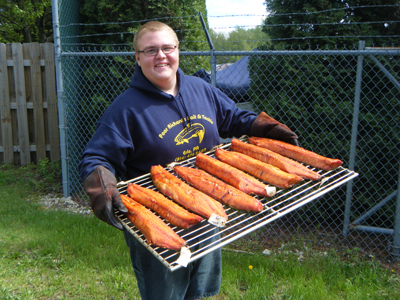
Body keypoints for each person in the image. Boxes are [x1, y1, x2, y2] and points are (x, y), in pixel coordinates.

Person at [79, 21, 298, 300]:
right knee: (165, 294)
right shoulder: (126, 109)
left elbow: (232, 117)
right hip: (158, 216)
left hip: (208, 203)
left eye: (167, 47)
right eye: (150, 50)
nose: (161, 55)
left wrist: (264, 126)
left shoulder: (200, 88)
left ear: (178, 51)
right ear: (137, 57)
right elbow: (97, 155)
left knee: (201, 290)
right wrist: (102, 185)